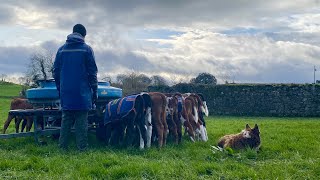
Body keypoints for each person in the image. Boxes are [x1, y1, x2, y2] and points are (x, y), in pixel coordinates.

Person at [53, 24, 98, 151]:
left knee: (66, 120)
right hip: (82, 92)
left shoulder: (61, 50)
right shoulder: (87, 49)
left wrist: (60, 88)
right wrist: (94, 90)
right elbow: (92, 72)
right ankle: (82, 148)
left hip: (66, 91)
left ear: (72, 32)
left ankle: (62, 148)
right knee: (82, 121)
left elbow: (55, 71)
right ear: (83, 35)